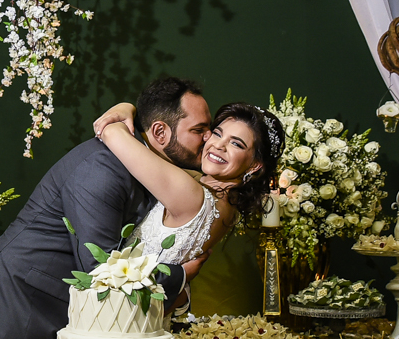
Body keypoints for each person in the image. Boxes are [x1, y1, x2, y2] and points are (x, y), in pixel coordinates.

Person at [0, 77, 215, 339]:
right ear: (159, 133)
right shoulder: (103, 167)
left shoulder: (145, 165)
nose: (208, 140)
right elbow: (100, 263)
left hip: (54, 325)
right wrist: (180, 277)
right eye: (199, 129)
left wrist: (125, 107)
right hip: (15, 321)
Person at [93, 99, 286, 280]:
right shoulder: (227, 201)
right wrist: (130, 108)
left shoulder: (192, 196)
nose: (218, 145)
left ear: (254, 166)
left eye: (236, 143)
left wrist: (123, 109)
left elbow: (111, 132)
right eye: (217, 133)